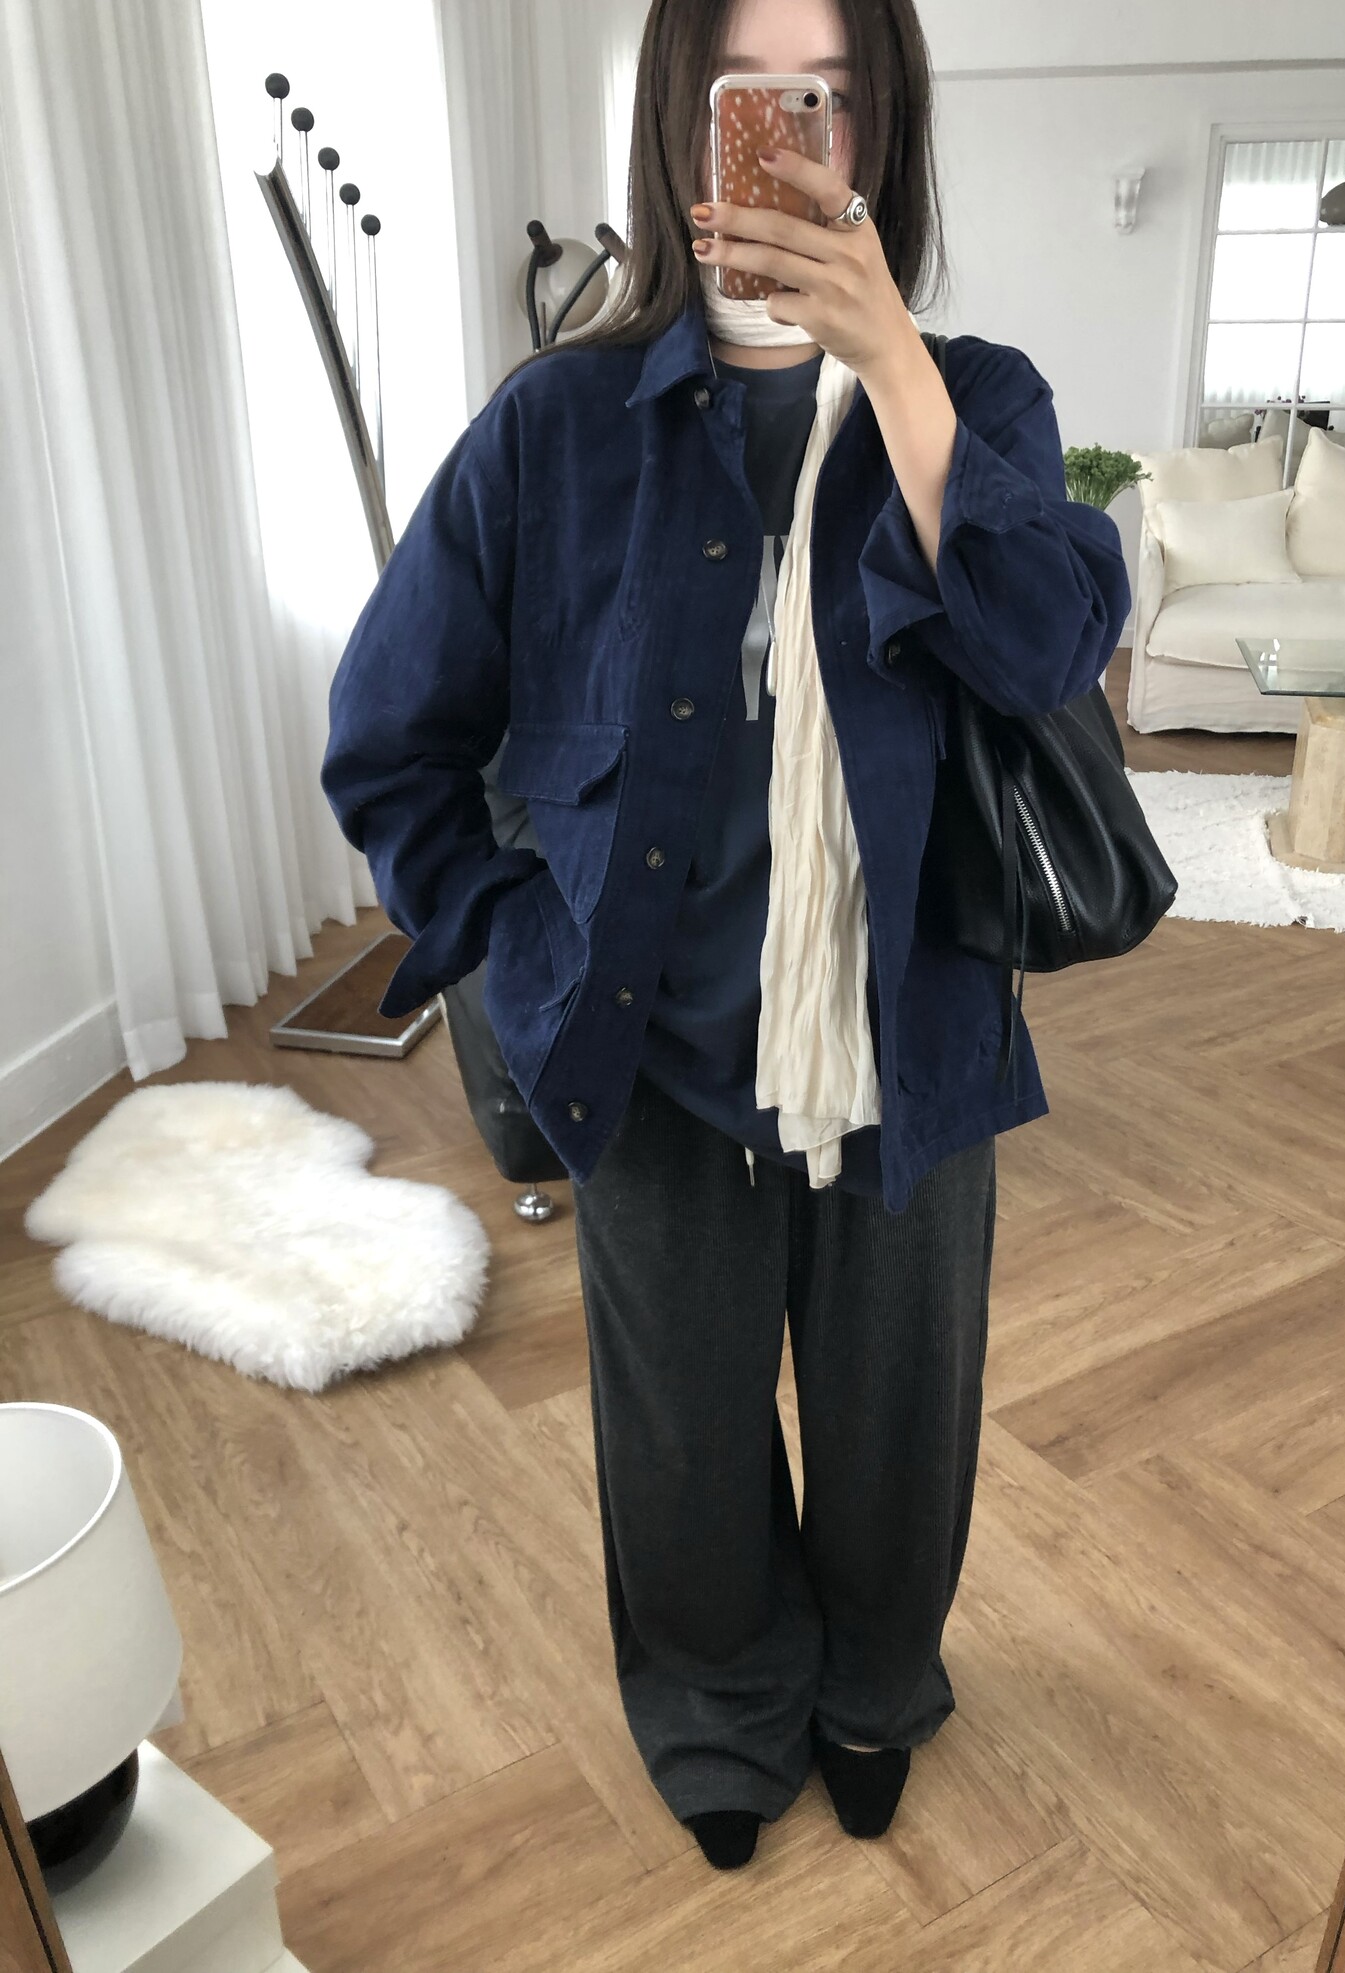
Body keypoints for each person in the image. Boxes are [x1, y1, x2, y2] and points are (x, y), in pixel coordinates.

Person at [320, 0, 1131, 1876]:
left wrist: (897, 373)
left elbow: (1046, 644)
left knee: (899, 1433)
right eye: (755, 93)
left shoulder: (981, 400)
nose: (792, 131)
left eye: (828, 95)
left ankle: (873, 1687)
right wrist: (515, 953)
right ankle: (719, 1708)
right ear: (684, 120)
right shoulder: (554, 431)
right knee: (679, 1443)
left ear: (881, 128)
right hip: (650, 1055)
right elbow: (389, 739)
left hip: (906, 1039)